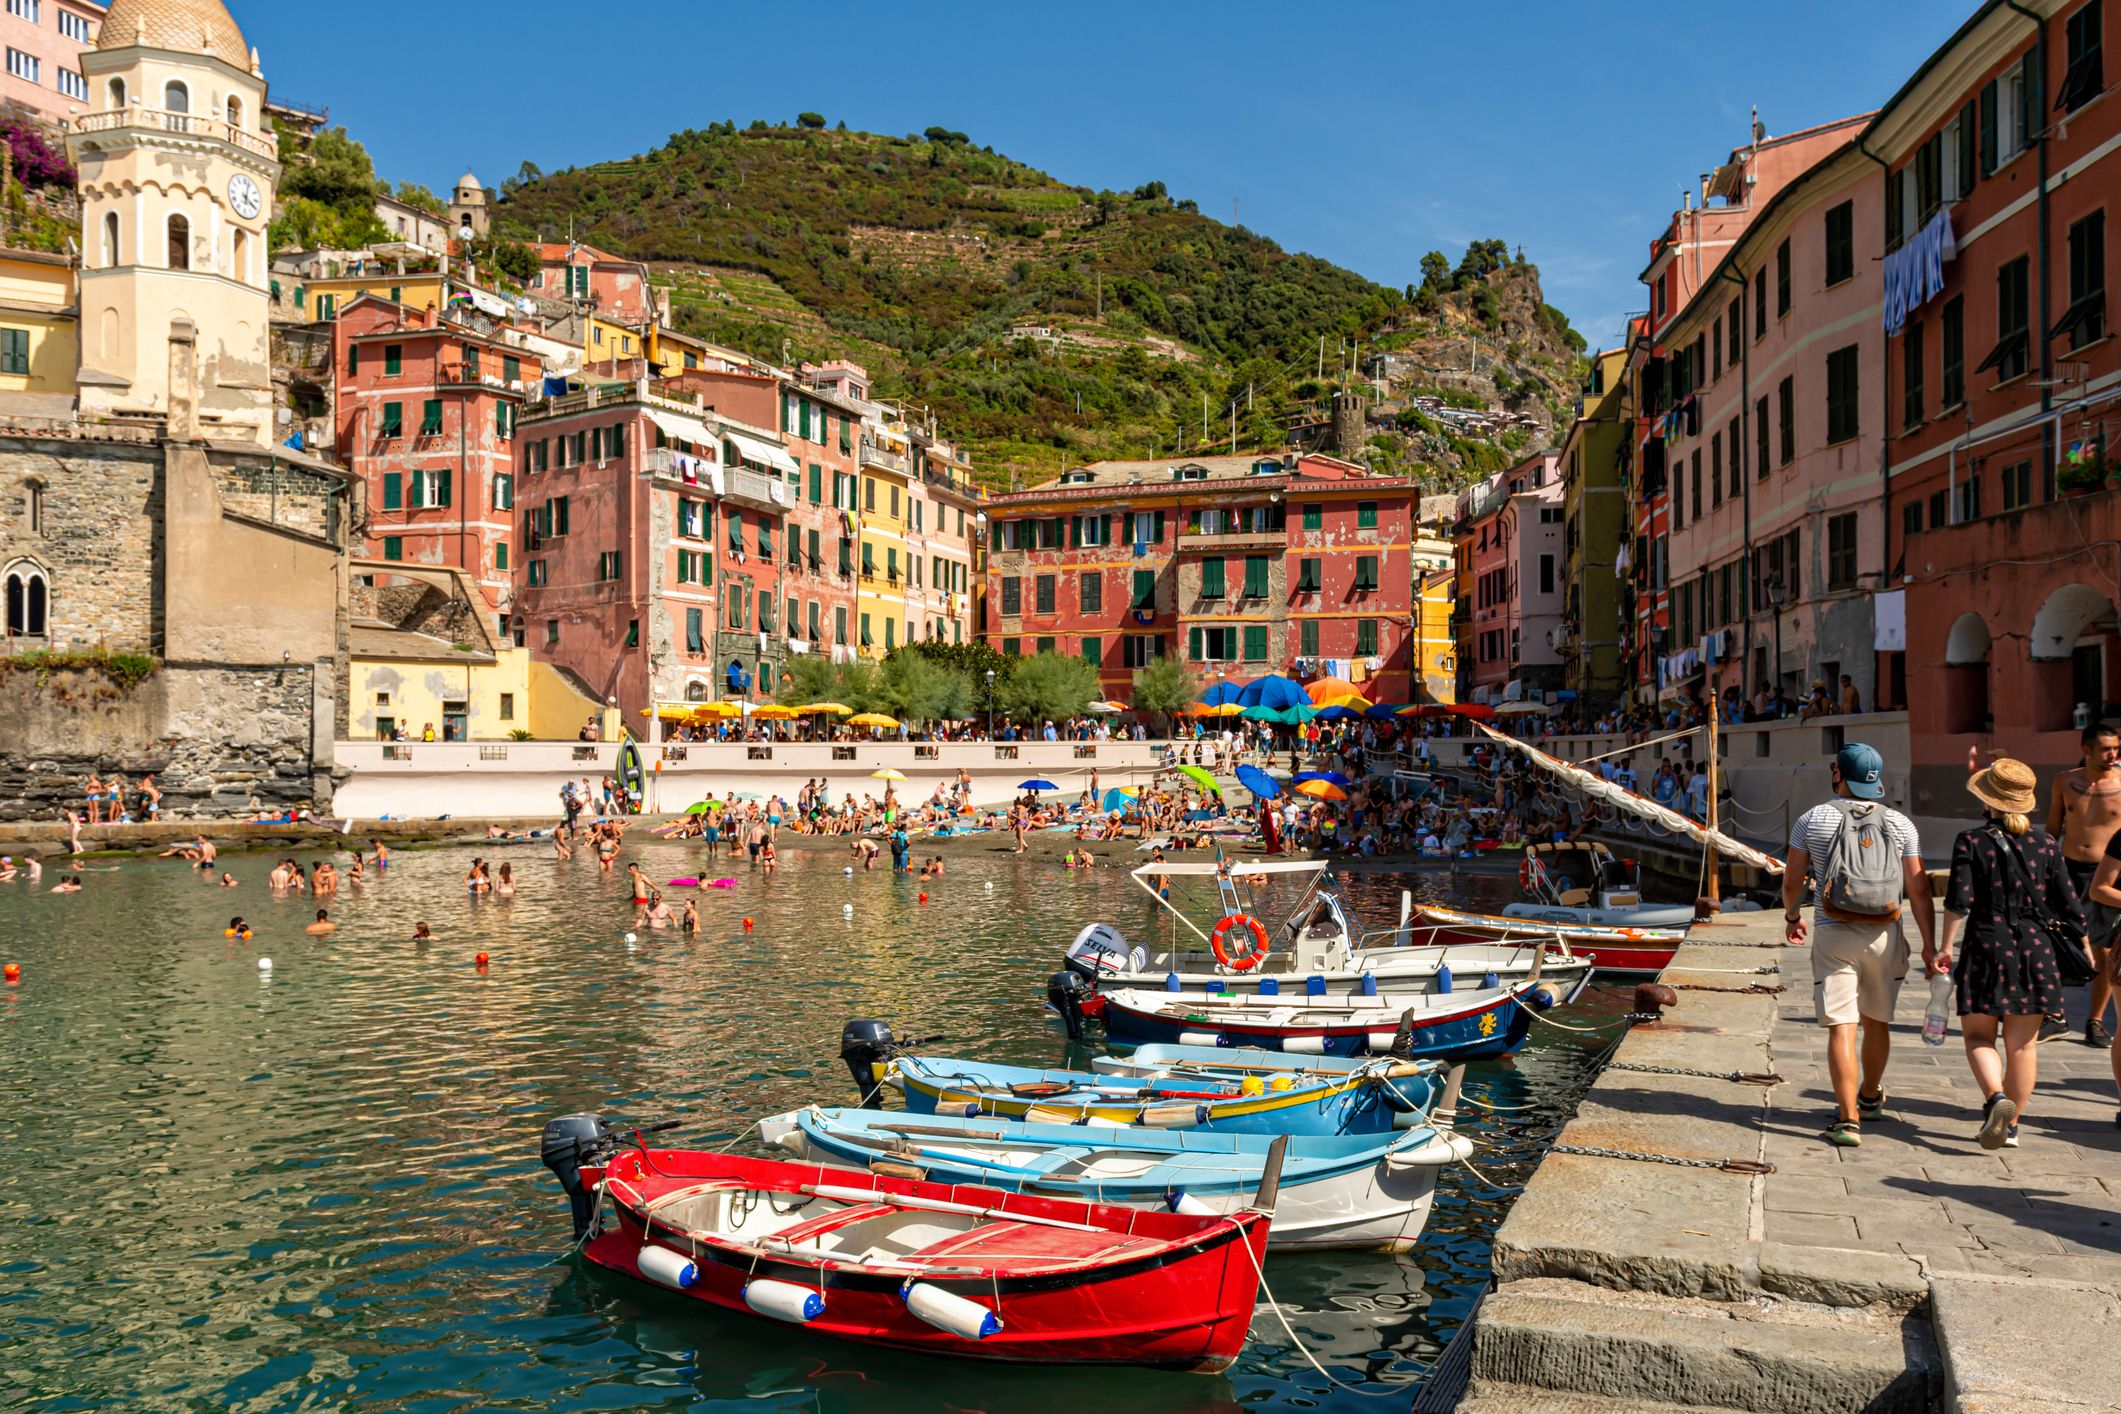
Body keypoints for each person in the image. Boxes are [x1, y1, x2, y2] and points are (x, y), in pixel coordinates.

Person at [1783, 742, 1937, 1148]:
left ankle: (1848, 1119)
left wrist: (1792, 915)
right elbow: (1919, 889)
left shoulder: (1812, 819)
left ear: (1838, 774)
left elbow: (1792, 880)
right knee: (1877, 1021)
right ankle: (1870, 1096)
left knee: (1841, 1026)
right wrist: (1929, 942)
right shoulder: (1902, 824)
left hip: (1834, 929)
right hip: (1886, 932)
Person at [1938, 758, 2083, 1149]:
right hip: (2036, 950)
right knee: (2023, 1045)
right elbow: (2069, 906)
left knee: (1978, 1037)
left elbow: (1959, 900)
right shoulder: (2046, 843)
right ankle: (2013, 1125)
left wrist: (1944, 946)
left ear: (1988, 799)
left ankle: (1995, 1098)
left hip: (1987, 944)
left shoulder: (1971, 840)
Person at [2048, 721, 2121, 1047]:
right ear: (2086, 750)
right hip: (2068, 869)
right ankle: (2055, 1016)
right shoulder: (2065, 781)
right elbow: (2053, 827)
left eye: (2116, 749)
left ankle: (2095, 1020)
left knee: (2104, 951)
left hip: (2108, 874)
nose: (2112, 755)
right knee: (2057, 945)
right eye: (2106, 748)